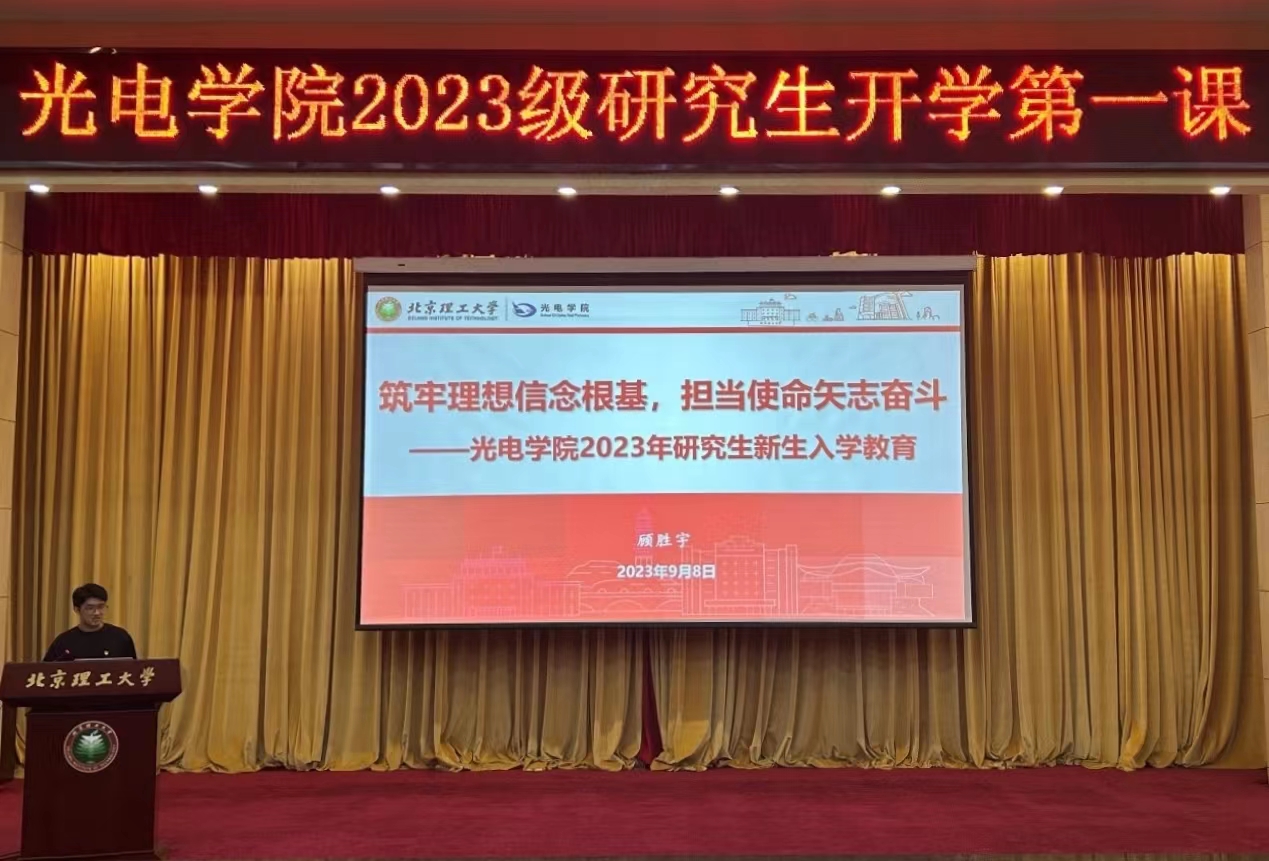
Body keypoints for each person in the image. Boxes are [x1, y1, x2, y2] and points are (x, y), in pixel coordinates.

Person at [42, 583, 137, 661]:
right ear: (77, 609)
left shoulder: (120, 637)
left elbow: (134, 670)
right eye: (90, 608)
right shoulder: (64, 642)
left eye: (101, 607)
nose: (97, 613)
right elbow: (47, 672)